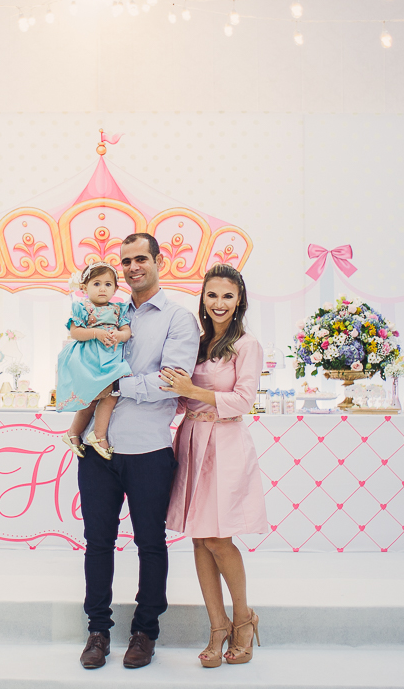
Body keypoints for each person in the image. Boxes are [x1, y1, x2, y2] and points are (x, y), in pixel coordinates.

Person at [77, 233, 200, 670]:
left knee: (150, 543)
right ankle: (97, 631)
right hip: (99, 449)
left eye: (140, 259)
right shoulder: (106, 309)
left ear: (159, 261)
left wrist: (117, 387)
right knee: (97, 544)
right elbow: (83, 359)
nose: (132, 268)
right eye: (126, 261)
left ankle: (146, 631)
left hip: (148, 449)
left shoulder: (178, 319)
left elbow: (173, 380)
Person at [160, 263, 268, 668]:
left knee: (220, 537)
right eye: (212, 295)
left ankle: (243, 619)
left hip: (225, 445)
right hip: (191, 440)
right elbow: (184, 400)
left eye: (227, 295)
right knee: (200, 538)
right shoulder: (200, 341)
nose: (219, 303)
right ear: (202, 299)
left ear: (239, 299)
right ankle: (216, 626)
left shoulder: (246, 344)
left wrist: (191, 389)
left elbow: (243, 400)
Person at [56, 263, 133, 459]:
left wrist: (119, 335)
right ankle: (74, 433)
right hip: (89, 359)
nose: (102, 288)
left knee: (113, 393)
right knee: (89, 399)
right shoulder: (83, 307)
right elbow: (75, 332)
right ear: (84, 288)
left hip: (110, 359)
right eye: (96, 283)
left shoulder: (118, 309)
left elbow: (127, 331)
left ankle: (97, 434)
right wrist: (96, 333)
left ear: (115, 289)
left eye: (108, 284)